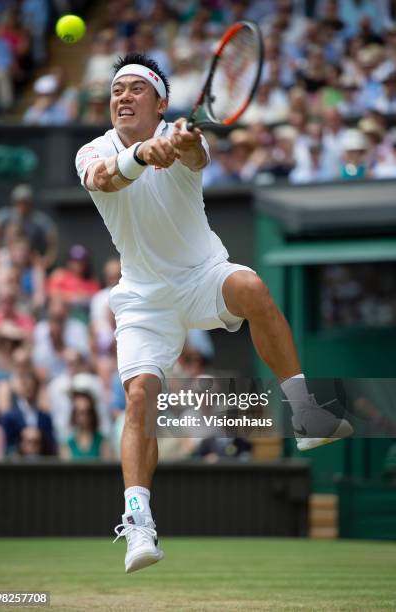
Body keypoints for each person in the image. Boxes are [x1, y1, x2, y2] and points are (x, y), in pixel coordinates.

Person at [75, 53, 353, 574]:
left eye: (137, 90)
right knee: (139, 397)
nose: (123, 98)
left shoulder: (188, 140)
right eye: (118, 90)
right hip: (142, 297)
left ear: (161, 104)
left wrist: (178, 146)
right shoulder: (91, 150)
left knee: (249, 284)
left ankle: (307, 411)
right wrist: (139, 156)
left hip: (203, 275)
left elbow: (196, 158)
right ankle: (139, 524)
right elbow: (102, 179)